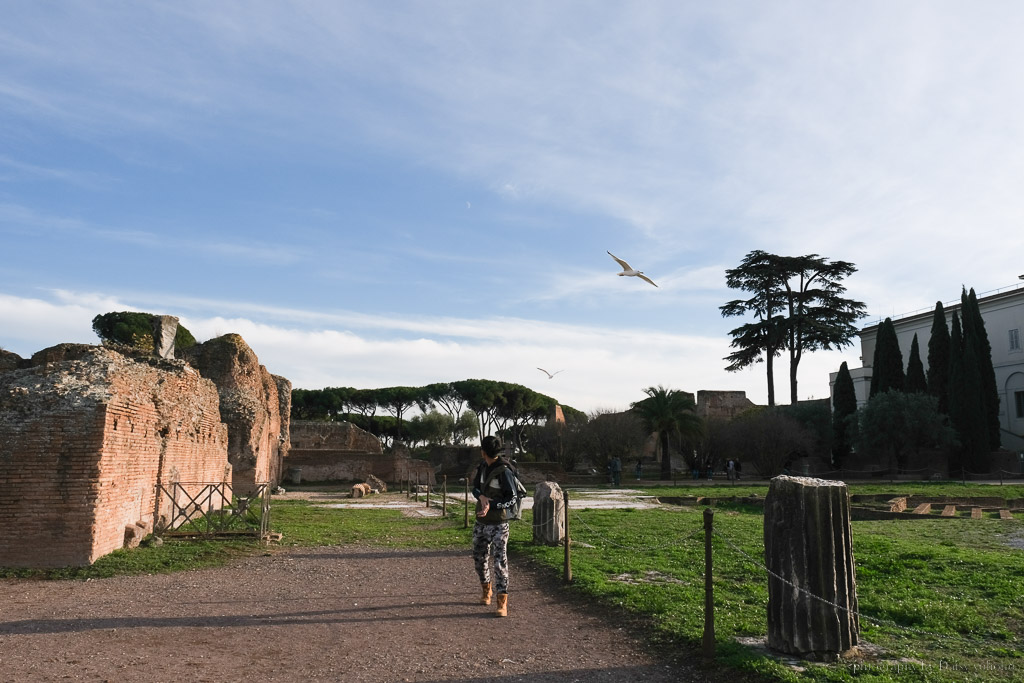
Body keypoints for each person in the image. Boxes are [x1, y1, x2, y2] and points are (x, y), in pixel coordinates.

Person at [471, 435, 517, 617]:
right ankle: (486, 590)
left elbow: (512, 498)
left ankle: (502, 603)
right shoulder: (481, 467)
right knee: (479, 559)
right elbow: (474, 488)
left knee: (499, 562)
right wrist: (481, 497)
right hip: (480, 522)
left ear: (483, 452)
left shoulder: (504, 471)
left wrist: (493, 504)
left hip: (499, 524)